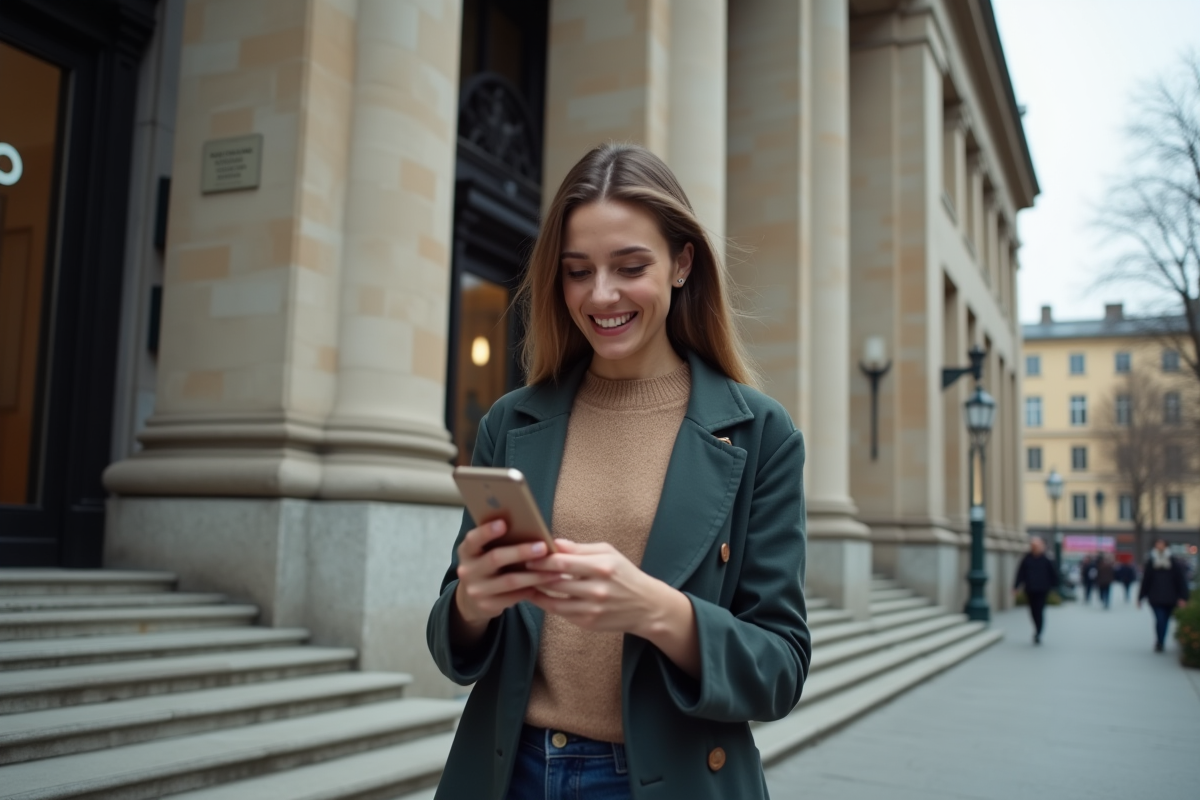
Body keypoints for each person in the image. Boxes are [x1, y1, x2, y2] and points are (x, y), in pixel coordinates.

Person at [426, 143, 810, 800]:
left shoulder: (760, 433)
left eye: (630, 267)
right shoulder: (510, 423)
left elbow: (779, 669)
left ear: (682, 263)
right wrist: (472, 602)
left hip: (664, 780)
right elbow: (450, 640)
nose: (600, 295)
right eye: (577, 272)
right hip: (507, 771)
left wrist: (656, 610)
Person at [1137, 539, 1190, 652]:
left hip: (1171, 598)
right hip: (1155, 597)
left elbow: (1181, 581)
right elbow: (1146, 581)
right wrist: (1140, 597)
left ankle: (1161, 641)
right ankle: (1160, 642)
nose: (1160, 547)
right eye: (1157, 545)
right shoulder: (1151, 562)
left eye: (1162, 545)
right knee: (1159, 619)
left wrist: (1183, 597)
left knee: (1165, 620)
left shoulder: (1173, 562)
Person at [1013, 536, 1059, 644]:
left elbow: (1054, 575)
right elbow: (1020, 573)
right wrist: (1016, 586)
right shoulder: (1027, 558)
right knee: (1033, 610)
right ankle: (1037, 629)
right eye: (1033, 545)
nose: (1035, 547)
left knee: (1039, 610)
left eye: (1037, 545)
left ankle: (1038, 632)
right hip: (1030, 589)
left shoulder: (1047, 559)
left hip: (1042, 589)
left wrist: (1054, 588)